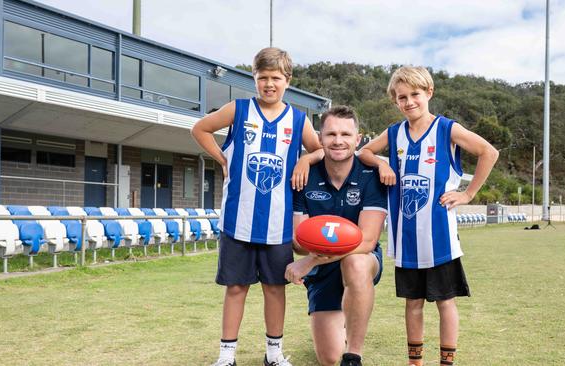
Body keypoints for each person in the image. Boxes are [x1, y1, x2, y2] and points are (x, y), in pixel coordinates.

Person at [191, 47, 323, 366]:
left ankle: (273, 354)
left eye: (275, 78)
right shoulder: (238, 110)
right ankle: (226, 356)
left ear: (287, 81)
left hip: (278, 223)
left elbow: (320, 151)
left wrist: (306, 157)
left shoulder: (298, 119)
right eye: (262, 77)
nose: (268, 84)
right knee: (236, 288)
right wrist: (223, 158)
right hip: (238, 219)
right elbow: (199, 129)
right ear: (254, 79)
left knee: (275, 288)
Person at [358, 66, 499, 366]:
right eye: (401, 97)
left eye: (415, 95)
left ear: (429, 93)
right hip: (406, 239)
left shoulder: (447, 129)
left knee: (445, 303)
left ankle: (446, 362)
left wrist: (468, 194)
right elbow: (364, 153)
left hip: (440, 238)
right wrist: (383, 165)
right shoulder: (394, 133)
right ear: (395, 101)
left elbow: (489, 152)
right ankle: (415, 362)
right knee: (413, 304)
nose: (409, 102)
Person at [284, 106, 387, 366]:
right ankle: (344, 316)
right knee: (329, 358)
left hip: (359, 259)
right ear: (320, 139)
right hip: (322, 273)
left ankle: (354, 354)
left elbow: (367, 242)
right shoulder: (303, 176)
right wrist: (307, 257)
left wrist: (310, 261)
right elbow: (298, 242)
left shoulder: (371, 176)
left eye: (345, 134)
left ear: (358, 139)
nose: (338, 141)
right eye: (330, 134)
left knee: (355, 263)